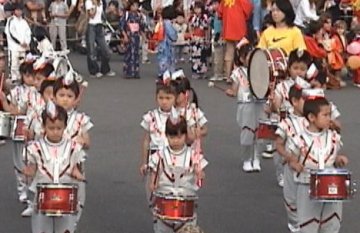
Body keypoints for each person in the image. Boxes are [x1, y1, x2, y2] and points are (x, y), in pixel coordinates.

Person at [287, 90, 348, 233]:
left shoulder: (333, 137)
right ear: (312, 117)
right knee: (308, 223)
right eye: (325, 115)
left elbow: (334, 157)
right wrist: (296, 164)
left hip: (331, 184)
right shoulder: (299, 139)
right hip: (307, 184)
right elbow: (292, 159)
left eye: (330, 115)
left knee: (332, 222)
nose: (329, 118)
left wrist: (339, 160)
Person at [23, 102, 86, 233]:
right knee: (41, 228)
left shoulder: (73, 147)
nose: (55, 132)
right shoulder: (35, 147)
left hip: (65, 191)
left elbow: (75, 167)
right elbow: (33, 167)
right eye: (51, 128)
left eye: (59, 128)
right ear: (44, 127)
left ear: (65, 127)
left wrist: (77, 174)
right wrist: (29, 171)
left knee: (65, 228)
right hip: (42, 192)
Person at [148, 113, 208, 233]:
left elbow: (201, 175)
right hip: (164, 198)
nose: (175, 140)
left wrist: (199, 174)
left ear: (185, 136)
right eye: (172, 137)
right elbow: (155, 171)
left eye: (179, 137)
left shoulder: (192, 155)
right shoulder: (160, 155)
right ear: (166, 136)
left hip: (186, 200)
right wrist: (152, 182)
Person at [225, 40, 264, 172]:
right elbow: (234, 89)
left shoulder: (260, 70)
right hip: (245, 105)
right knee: (247, 132)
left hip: (259, 103)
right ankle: (247, 159)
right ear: (241, 58)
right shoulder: (238, 72)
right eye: (247, 55)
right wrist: (231, 92)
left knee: (260, 133)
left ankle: (257, 158)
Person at [274, 84, 307, 233]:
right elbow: (279, 144)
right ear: (294, 101)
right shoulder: (287, 122)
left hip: (309, 168)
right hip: (291, 167)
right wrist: (288, 156)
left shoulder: (314, 121)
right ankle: (294, 223)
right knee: (291, 198)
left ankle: (307, 223)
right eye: (305, 100)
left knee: (308, 198)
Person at [218, 0, 253, 82]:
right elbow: (249, 8)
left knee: (229, 51)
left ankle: (228, 76)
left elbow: (220, 12)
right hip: (239, 27)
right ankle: (237, 76)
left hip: (228, 27)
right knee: (240, 51)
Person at [85, 0, 115, 78]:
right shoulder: (89, 2)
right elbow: (92, 15)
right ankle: (94, 71)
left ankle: (105, 69)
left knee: (106, 50)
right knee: (91, 50)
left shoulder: (101, 2)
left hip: (99, 26)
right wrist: (94, 6)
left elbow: (101, 14)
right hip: (91, 26)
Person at [4, 3, 31, 83]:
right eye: (17, 10)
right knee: (14, 63)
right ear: (14, 11)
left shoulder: (24, 22)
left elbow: (28, 33)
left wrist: (27, 42)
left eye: (20, 10)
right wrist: (20, 42)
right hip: (14, 47)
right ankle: (14, 77)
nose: (19, 12)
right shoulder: (11, 20)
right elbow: (11, 33)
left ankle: (21, 77)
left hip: (23, 47)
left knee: (22, 63)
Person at [119, 0, 146, 79]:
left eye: (136, 6)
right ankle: (127, 72)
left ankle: (135, 71)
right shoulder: (126, 14)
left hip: (136, 36)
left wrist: (143, 36)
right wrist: (125, 36)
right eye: (133, 5)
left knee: (136, 54)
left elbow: (141, 27)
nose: (135, 7)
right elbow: (121, 26)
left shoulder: (139, 15)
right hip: (129, 35)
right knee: (128, 54)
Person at [156, 6, 177, 80]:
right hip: (167, 44)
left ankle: (162, 72)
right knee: (168, 58)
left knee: (162, 58)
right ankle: (166, 73)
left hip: (161, 43)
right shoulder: (168, 23)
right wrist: (175, 36)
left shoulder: (161, 22)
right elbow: (172, 34)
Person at [189, 1, 209, 79]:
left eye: (198, 8)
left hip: (202, 37)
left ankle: (203, 71)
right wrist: (191, 36)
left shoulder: (204, 17)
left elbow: (207, 28)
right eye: (196, 8)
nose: (197, 10)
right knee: (195, 56)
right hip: (195, 37)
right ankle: (195, 72)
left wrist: (207, 38)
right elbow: (190, 27)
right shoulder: (193, 17)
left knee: (203, 55)